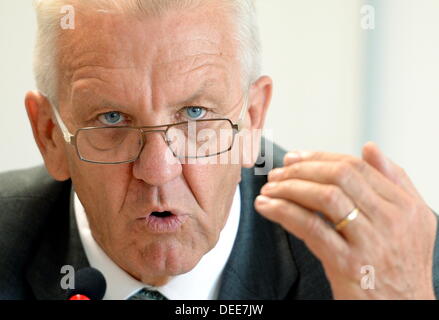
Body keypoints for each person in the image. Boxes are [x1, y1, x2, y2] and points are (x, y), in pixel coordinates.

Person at [0, 0, 438, 300]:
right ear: (50, 136)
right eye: (112, 118)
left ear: (252, 118)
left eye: (195, 113)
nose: (157, 169)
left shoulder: (380, 266)